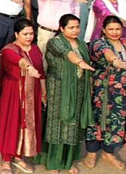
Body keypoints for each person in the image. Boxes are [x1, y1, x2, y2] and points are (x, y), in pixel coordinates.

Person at [82, 16, 126, 170]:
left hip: (123, 93)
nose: (114, 32)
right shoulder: (99, 43)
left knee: (117, 121)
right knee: (97, 120)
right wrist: (115, 60)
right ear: (103, 30)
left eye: (117, 29)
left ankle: (108, 153)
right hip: (103, 92)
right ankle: (91, 152)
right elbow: (106, 52)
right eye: (111, 29)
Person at [37, 14, 94, 174]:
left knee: (73, 127)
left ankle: (68, 162)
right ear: (62, 28)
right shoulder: (55, 42)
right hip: (59, 90)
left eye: (77, 27)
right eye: (71, 27)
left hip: (78, 89)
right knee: (57, 125)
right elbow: (67, 54)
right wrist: (80, 63)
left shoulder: (82, 44)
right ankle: (54, 163)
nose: (75, 30)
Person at [0, 18, 44, 174]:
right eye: (25, 34)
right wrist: (29, 67)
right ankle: (6, 159)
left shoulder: (35, 49)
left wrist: (44, 92)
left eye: (31, 33)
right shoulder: (9, 50)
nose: (29, 37)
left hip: (32, 92)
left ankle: (19, 156)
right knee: (12, 123)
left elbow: (41, 71)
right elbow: (19, 61)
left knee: (26, 124)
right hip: (13, 92)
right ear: (16, 34)